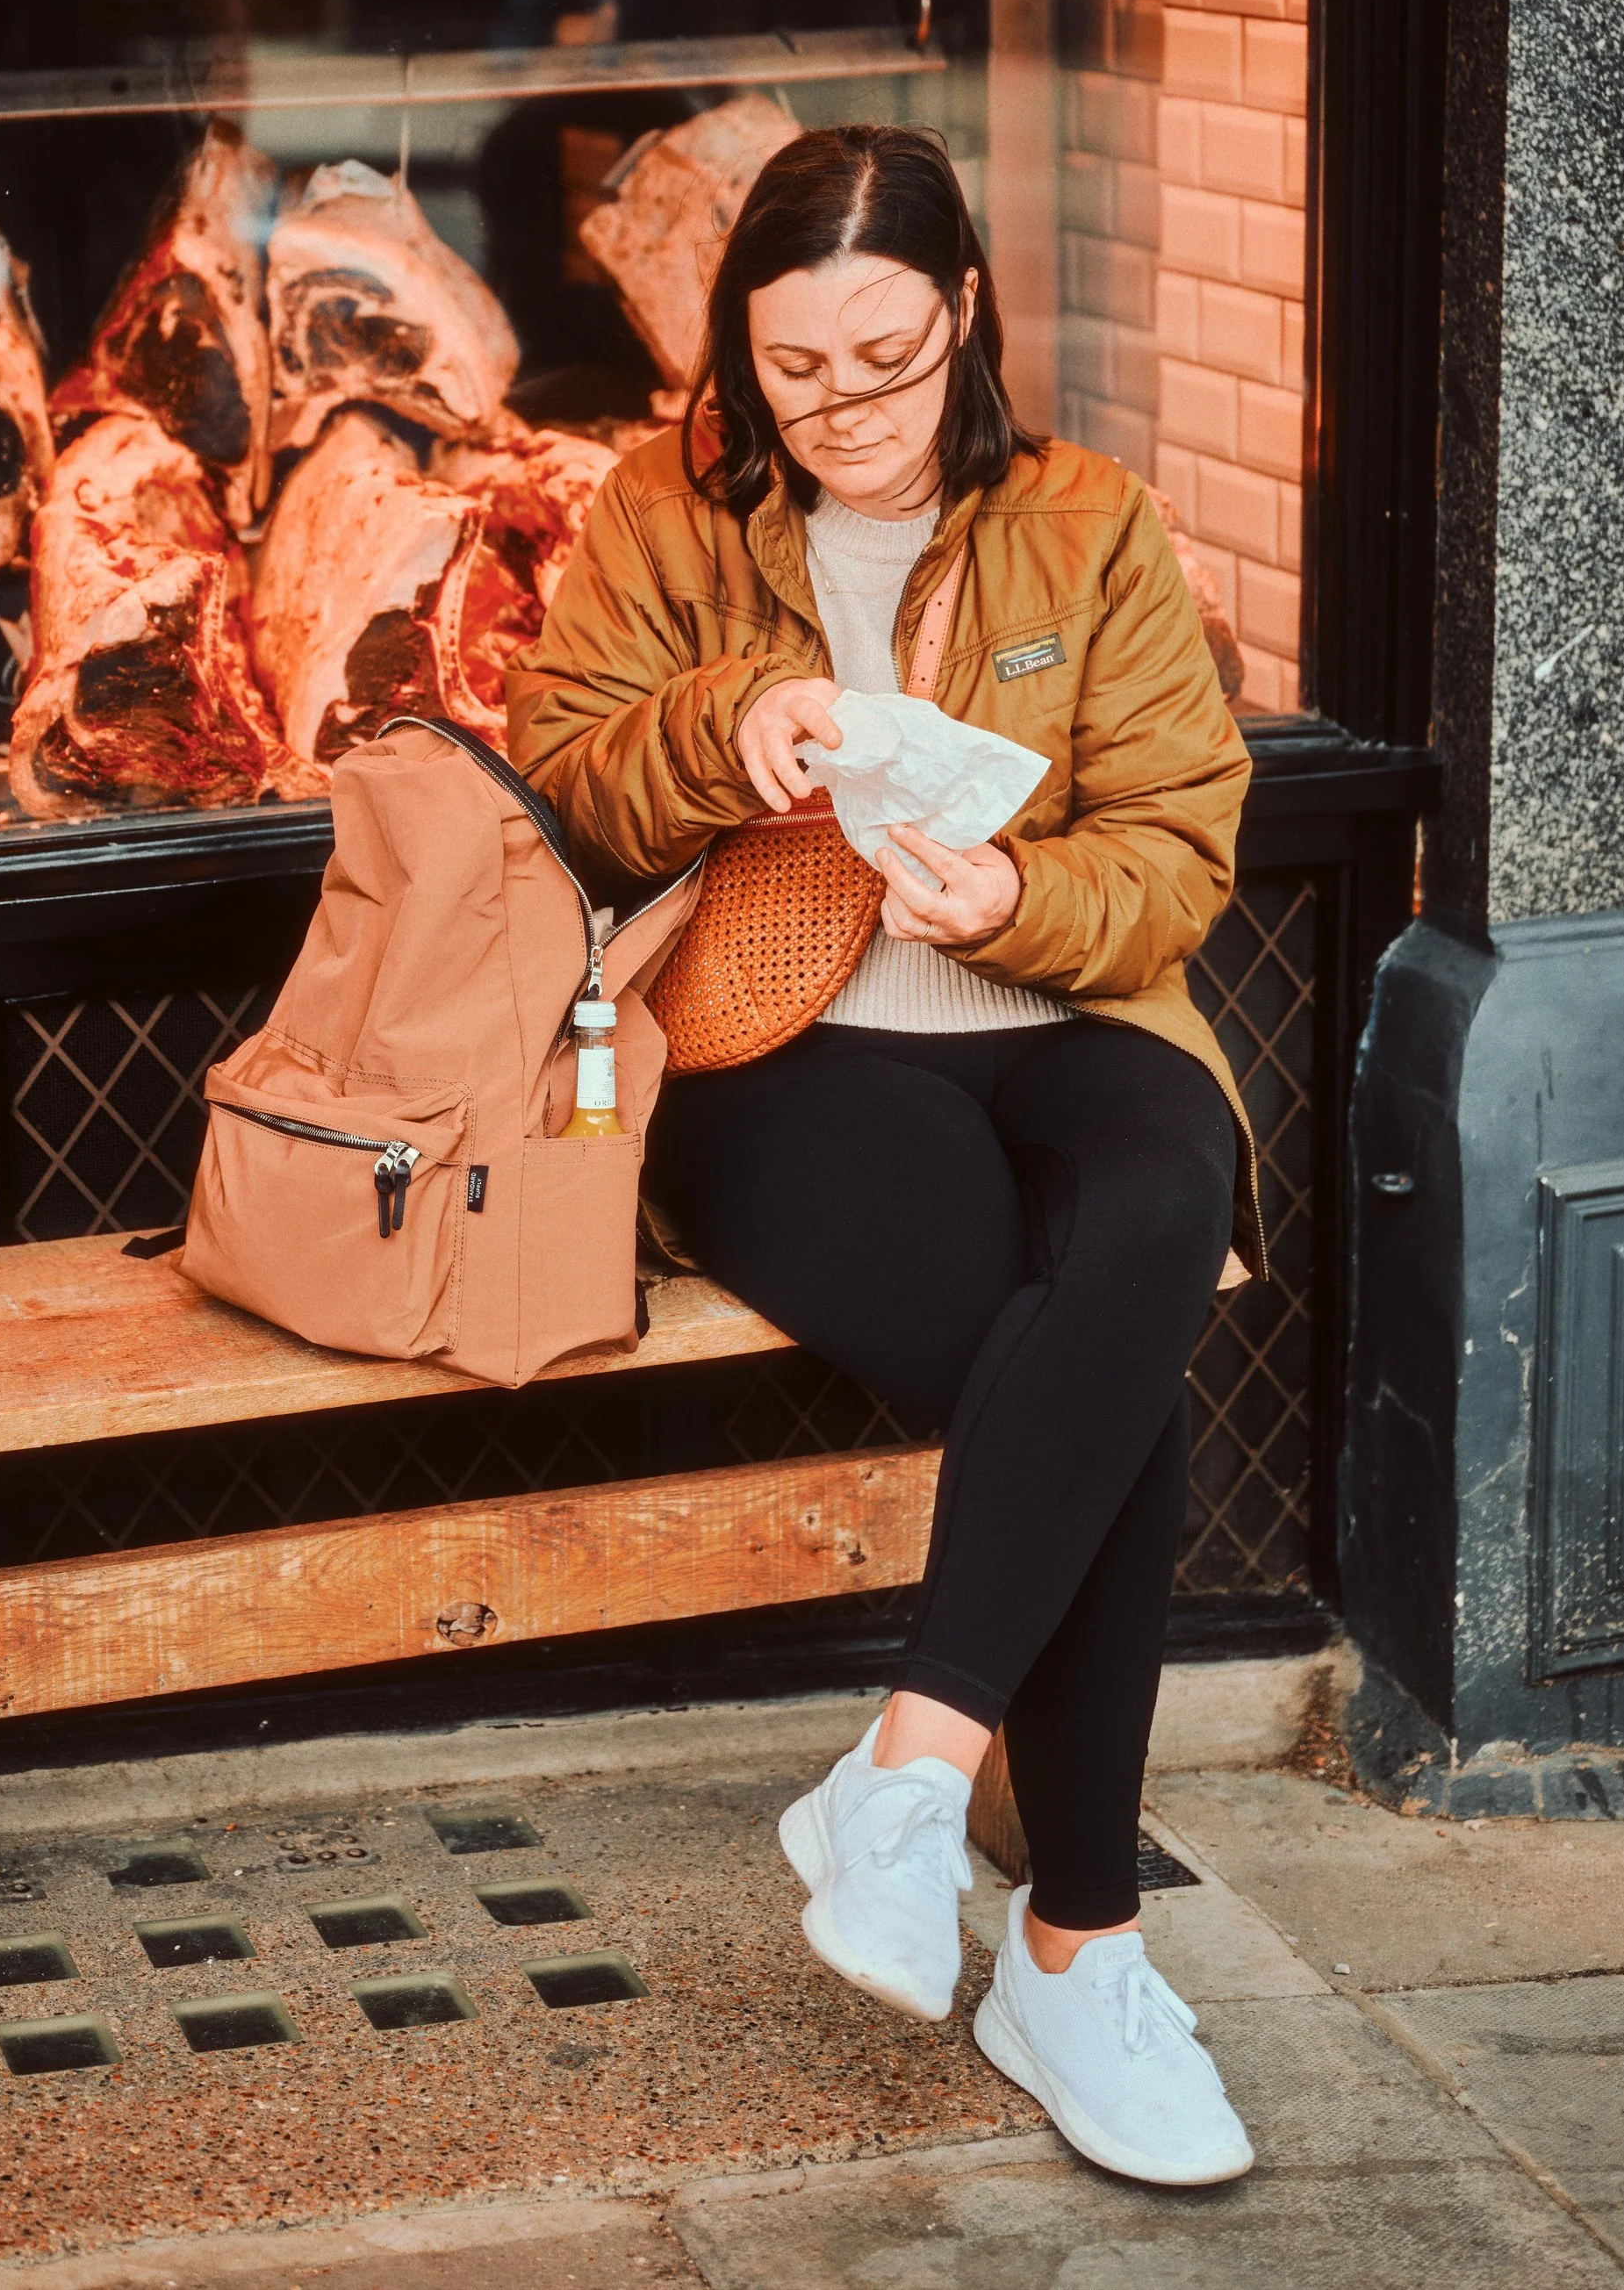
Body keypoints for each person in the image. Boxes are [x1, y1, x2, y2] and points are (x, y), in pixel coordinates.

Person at [506, 122, 1261, 2189]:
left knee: (1158, 1195)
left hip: (1059, 1009)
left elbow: (1174, 854)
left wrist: (1009, 905)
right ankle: (1077, 1950)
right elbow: (562, 773)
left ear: (966, 318)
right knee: (1107, 1383)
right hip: (774, 1047)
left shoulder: (1088, 526)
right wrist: (721, 724)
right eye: (788, 368)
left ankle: (909, 1776)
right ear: (732, 354)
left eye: (882, 358)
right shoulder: (662, 513)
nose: (835, 410)